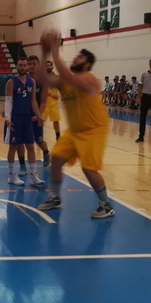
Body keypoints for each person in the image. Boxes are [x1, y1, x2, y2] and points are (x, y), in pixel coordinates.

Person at [36, 33, 115, 218]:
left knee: (89, 168)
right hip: (75, 131)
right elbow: (41, 78)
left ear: (87, 64)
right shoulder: (65, 79)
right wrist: (45, 52)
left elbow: (70, 77)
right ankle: (55, 197)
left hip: (94, 130)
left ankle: (106, 206)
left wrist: (55, 51)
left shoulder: (89, 79)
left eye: (79, 57)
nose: (75, 58)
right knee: (56, 158)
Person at [3, 57, 44, 187]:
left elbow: (33, 101)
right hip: (15, 118)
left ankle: (33, 176)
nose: (22, 67)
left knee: (31, 147)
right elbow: (8, 102)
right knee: (13, 147)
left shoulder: (32, 82)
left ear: (27, 67)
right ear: (17, 66)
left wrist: (39, 116)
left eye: (24, 65)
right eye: (20, 65)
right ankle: (11, 176)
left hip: (27, 119)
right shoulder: (11, 82)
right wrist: (7, 119)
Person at [27, 55, 51, 167]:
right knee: (26, 141)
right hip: (25, 114)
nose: (31, 66)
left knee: (39, 140)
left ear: (38, 65)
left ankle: (46, 152)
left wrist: (38, 115)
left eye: (34, 64)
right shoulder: (24, 79)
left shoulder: (43, 81)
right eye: (29, 64)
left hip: (37, 115)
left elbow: (43, 102)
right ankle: (27, 165)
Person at [43, 60, 62, 141]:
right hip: (44, 103)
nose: (48, 67)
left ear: (52, 66)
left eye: (49, 65)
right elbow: (42, 90)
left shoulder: (56, 77)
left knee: (56, 120)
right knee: (40, 121)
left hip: (54, 103)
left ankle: (58, 136)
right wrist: (50, 95)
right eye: (47, 66)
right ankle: (38, 135)